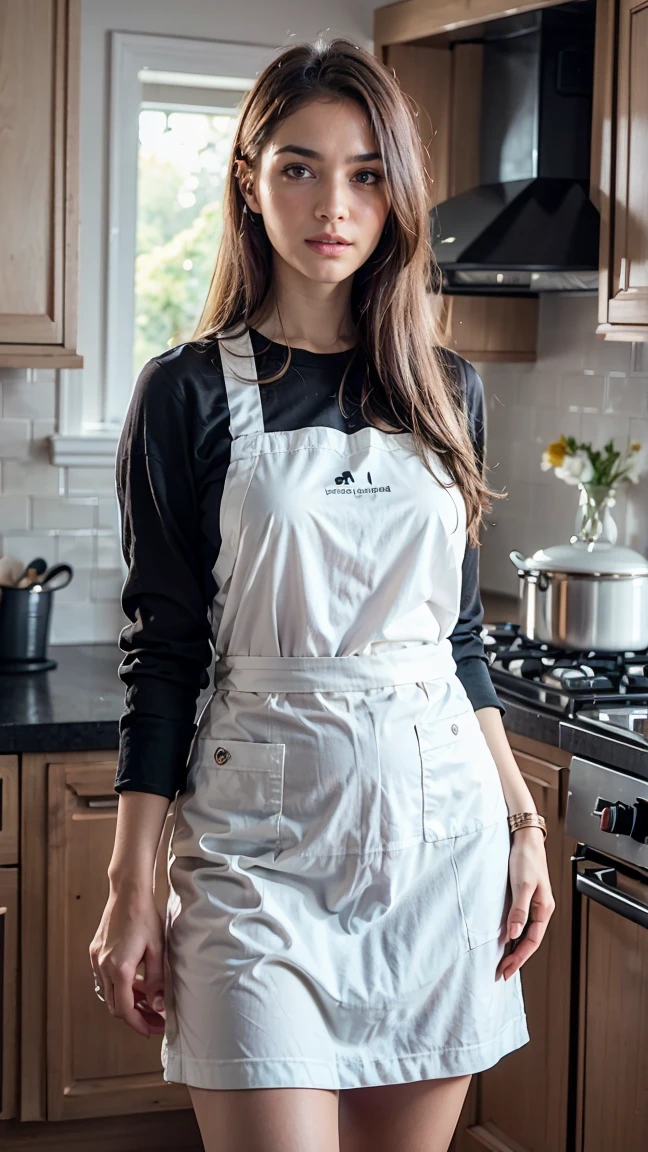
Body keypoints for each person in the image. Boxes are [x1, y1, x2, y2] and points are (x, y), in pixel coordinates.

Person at [90, 36, 554, 1152]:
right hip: (257, 861)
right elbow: (164, 654)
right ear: (250, 183)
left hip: (442, 849)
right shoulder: (187, 393)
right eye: (298, 167)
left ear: (396, 193)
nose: (331, 203)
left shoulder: (450, 390)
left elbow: (457, 637)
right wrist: (130, 883)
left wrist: (522, 822)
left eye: (365, 172)